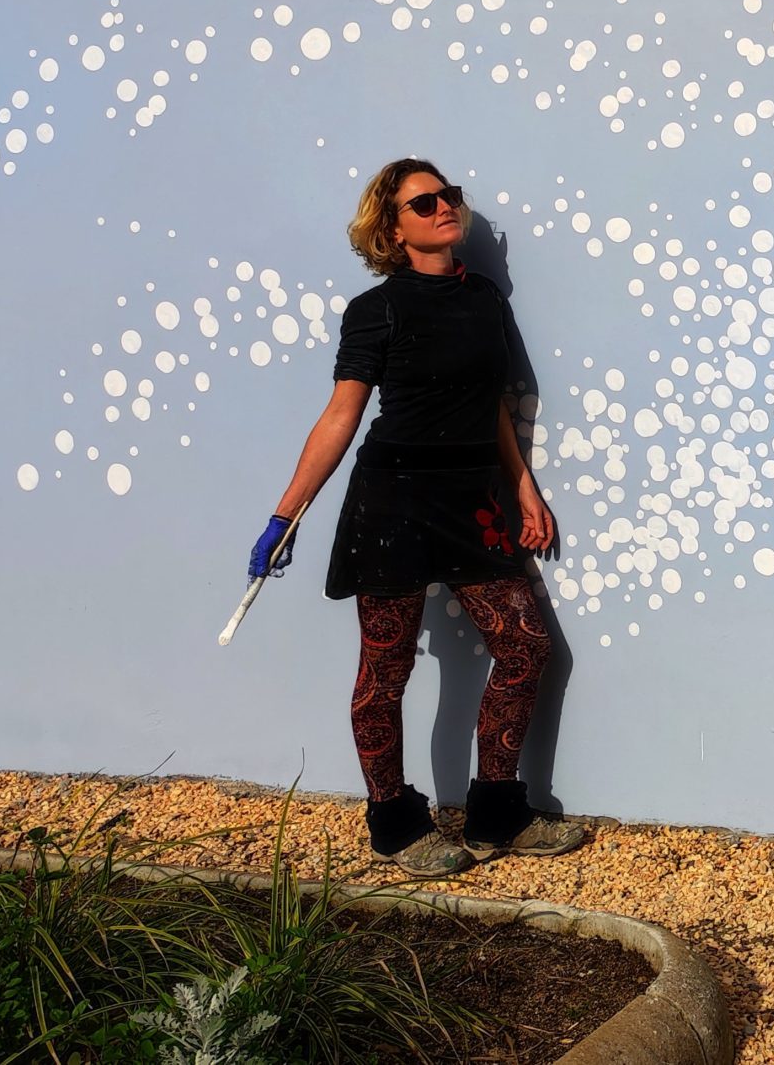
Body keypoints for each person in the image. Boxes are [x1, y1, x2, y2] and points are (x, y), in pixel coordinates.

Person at [248, 157, 586, 875]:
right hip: (393, 504)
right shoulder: (377, 311)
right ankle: (395, 824)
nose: (443, 208)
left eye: (448, 196)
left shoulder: (488, 300)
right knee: (386, 670)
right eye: (423, 203)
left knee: (526, 648)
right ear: (392, 229)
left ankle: (498, 811)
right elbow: (343, 415)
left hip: (475, 505)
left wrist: (523, 487)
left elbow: (492, 406)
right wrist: (286, 516)